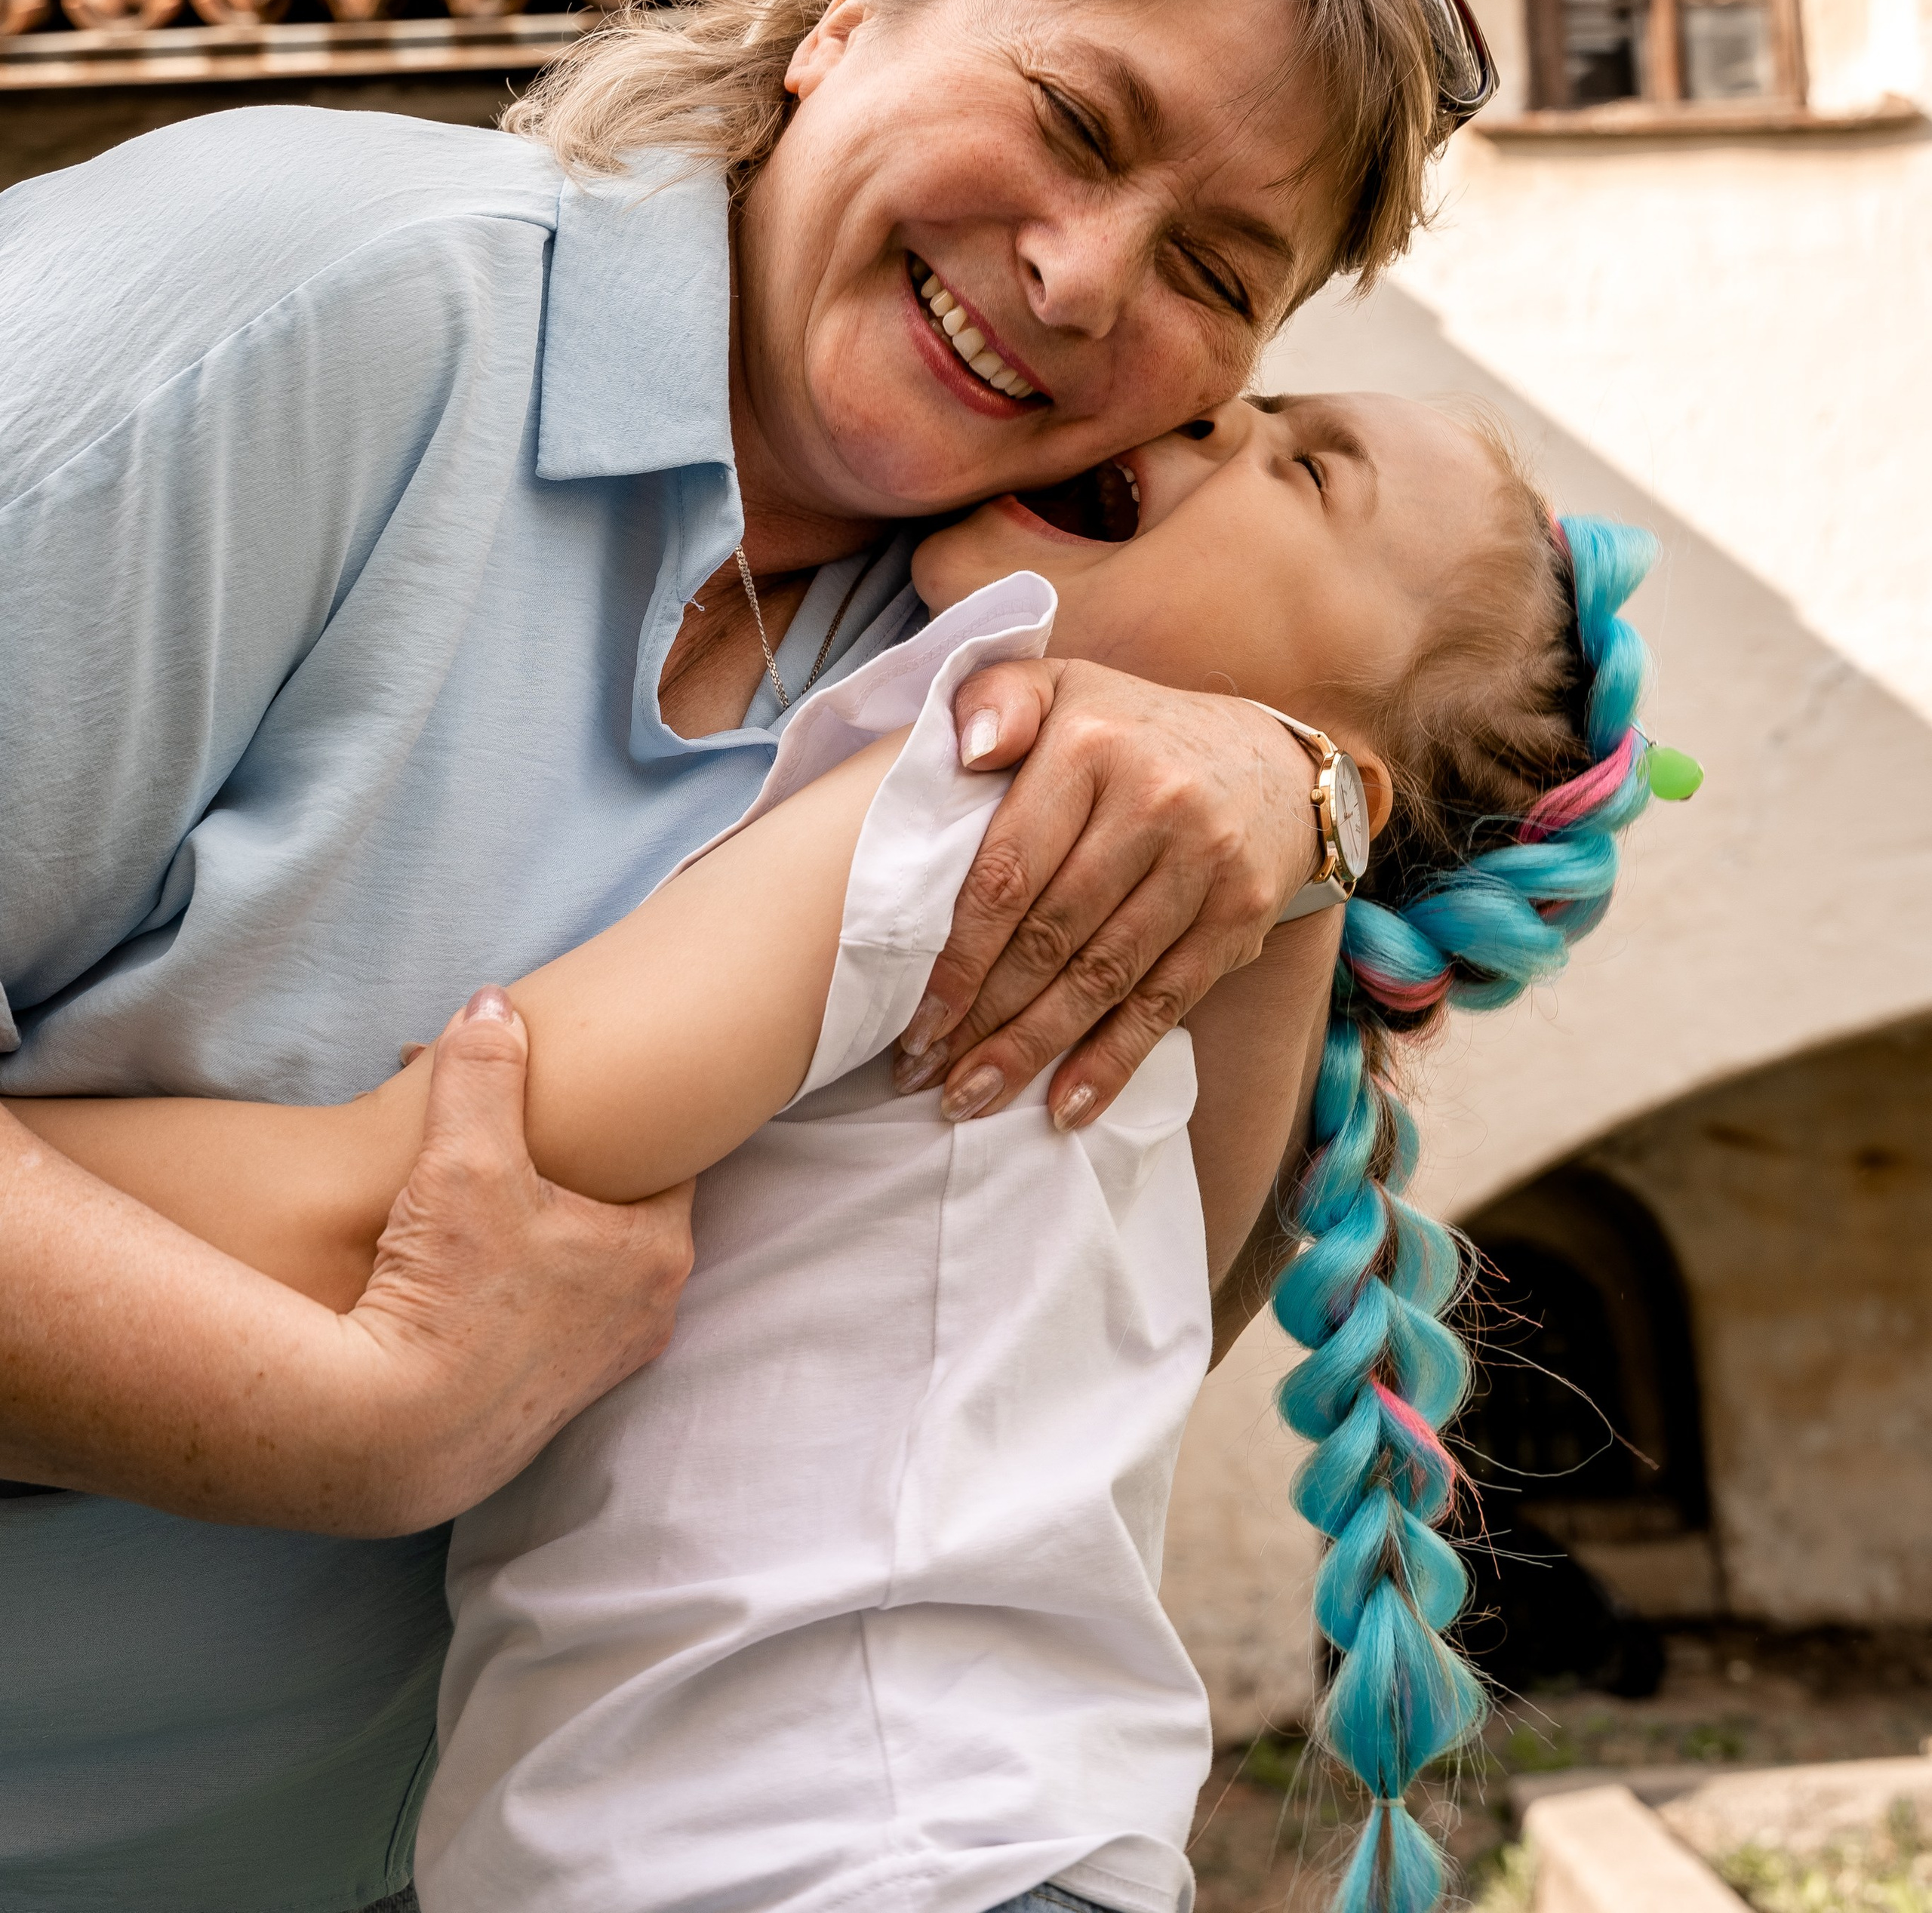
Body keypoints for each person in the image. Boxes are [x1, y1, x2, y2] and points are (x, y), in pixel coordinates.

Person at [1, 0, 1484, 1911]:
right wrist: (358, 1425)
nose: (1080, 276)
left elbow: (1044, 1340)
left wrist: (1303, 790)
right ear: (851, 15)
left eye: (1216, 275)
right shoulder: (324, 307)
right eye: (1076, 122)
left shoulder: (968, 671)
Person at [22, 384, 1667, 1913]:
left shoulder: (976, 806)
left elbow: (392, 1195)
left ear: (1337, 764)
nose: (1204, 420)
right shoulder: (1228, 1031)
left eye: (1302, 470)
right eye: (1243, 406)